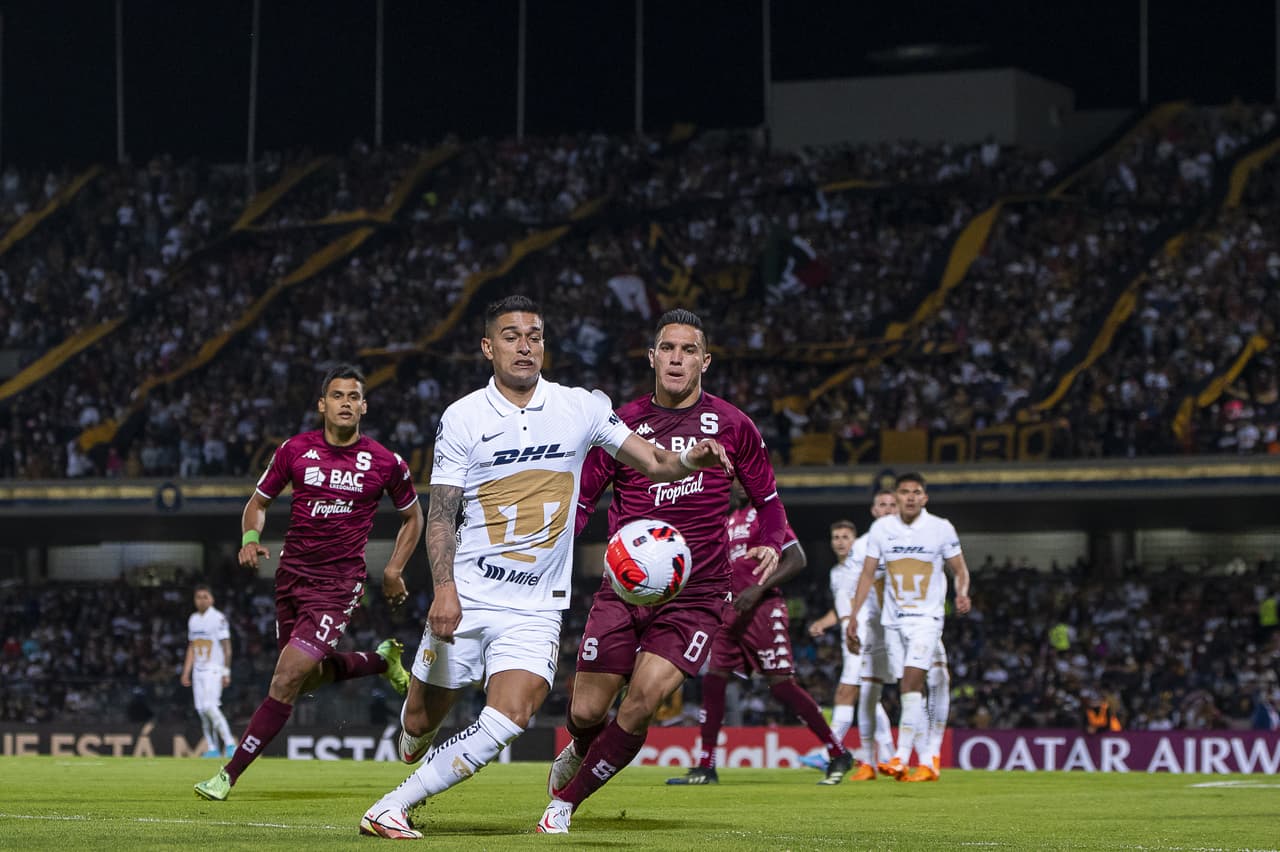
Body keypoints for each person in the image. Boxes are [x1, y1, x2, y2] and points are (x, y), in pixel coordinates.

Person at [359, 296, 732, 840]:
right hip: (470, 593)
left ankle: (391, 806)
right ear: (489, 348)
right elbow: (442, 513)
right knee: (418, 724)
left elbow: (652, 459)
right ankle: (415, 720)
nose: (525, 345)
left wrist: (689, 459)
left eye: (534, 335)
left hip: (536, 604)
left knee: (512, 716)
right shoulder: (463, 416)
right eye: (511, 336)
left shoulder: (580, 407)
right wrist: (443, 589)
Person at [539, 308, 786, 834]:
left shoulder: (735, 425)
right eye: (668, 348)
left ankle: (564, 806)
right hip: (624, 589)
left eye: (689, 350)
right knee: (585, 711)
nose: (677, 358)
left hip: (697, 594)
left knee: (644, 699)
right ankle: (582, 744)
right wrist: (550, 552)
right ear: (652, 357)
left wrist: (769, 542)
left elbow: (768, 502)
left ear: (705, 361)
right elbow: (581, 502)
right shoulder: (621, 425)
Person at [195, 364, 423, 801]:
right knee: (307, 679)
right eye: (337, 396)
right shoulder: (295, 451)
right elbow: (257, 503)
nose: (345, 403)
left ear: (364, 406)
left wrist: (393, 569)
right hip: (291, 580)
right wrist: (249, 538)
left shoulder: (385, 462)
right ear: (322, 404)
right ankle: (380, 662)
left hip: (338, 586)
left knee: (284, 680)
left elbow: (413, 516)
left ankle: (228, 773)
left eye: (354, 397)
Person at [667, 483, 854, 786]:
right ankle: (706, 766)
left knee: (781, 686)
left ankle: (838, 752)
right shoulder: (728, 520)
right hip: (730, 612)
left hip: (763, 609)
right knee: (713, 683)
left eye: (745, 477)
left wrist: (758, 589)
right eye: (735, 477)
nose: (739, 483)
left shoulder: (767, 515)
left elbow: (797, 559)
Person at [847, 472, 970, 783]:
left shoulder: (940, 528)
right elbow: (867, 575)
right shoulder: (882, 530)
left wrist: (962, 591)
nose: (911, 497)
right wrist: (853, 616)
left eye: (916, 492)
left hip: (927, 620)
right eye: (905, 492)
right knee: (914, 689)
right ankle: (927, 760)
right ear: (897, 497)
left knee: (913, 684)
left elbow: (959, 569)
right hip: (892, 623)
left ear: (924, 497)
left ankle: (902, 756)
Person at [807, 499, 897, 779]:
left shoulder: (862, 566)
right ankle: (889, 755)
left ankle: (829, 752)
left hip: (864, 632)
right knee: (870, 696)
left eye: (846, 537)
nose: (840, 542)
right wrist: (825, 621)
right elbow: (843, 606)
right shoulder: (836, 573)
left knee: (847, 692)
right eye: (836, 537)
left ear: (855, 541)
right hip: (851, 630)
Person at [180, 584, 236, 759]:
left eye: (205, 596)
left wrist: (226, 672)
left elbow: (227, 648)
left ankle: (230, 744)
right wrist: (186, 671)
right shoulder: (193, 619)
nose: (201, 600)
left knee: (210, 707)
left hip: (214, 669)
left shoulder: (218, 618)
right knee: (202, 711)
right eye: (198, 597)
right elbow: (192, 647)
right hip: (198, 671)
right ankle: (212, 748)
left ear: (211, 599)